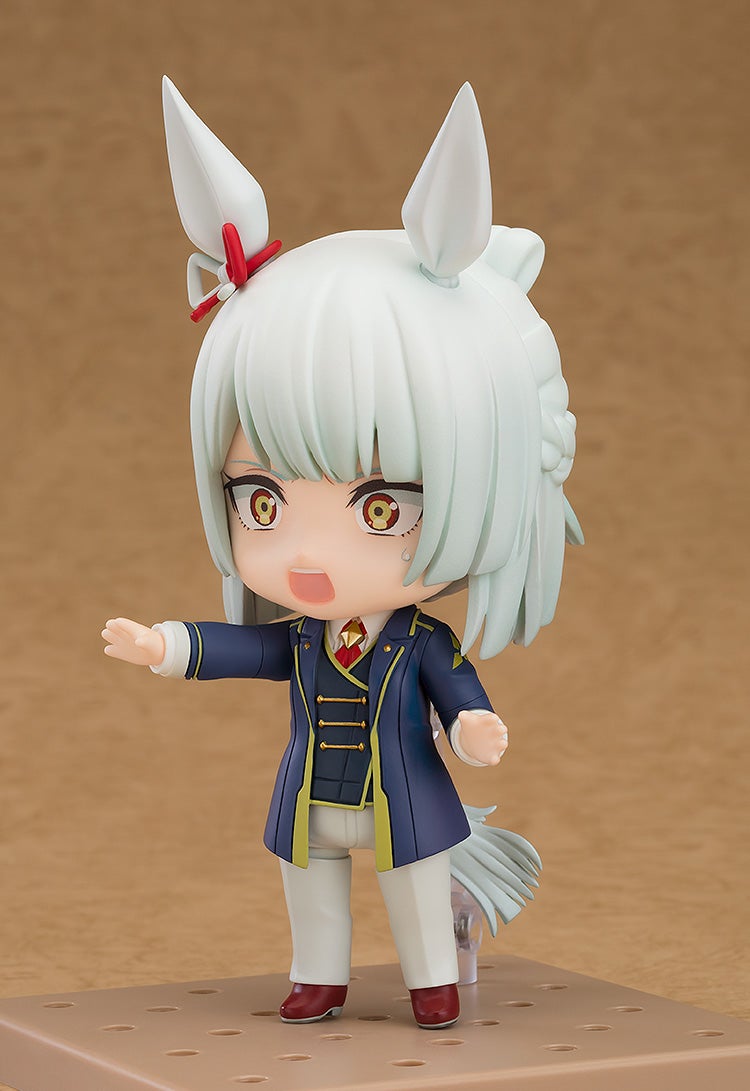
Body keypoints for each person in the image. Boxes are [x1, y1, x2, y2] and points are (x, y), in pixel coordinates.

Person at [103, 78, 581, 1029]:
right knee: (311, 885)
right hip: (311, 799)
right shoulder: (303, 637)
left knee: (414, 892)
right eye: (263, 500)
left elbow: (459, 689)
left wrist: (475, 729)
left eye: (379, 506)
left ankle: (430, 980)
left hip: (405, 803)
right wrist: (167, 645)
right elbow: (248, 649)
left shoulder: (420, 642)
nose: (307, 556)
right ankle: (317, 976)